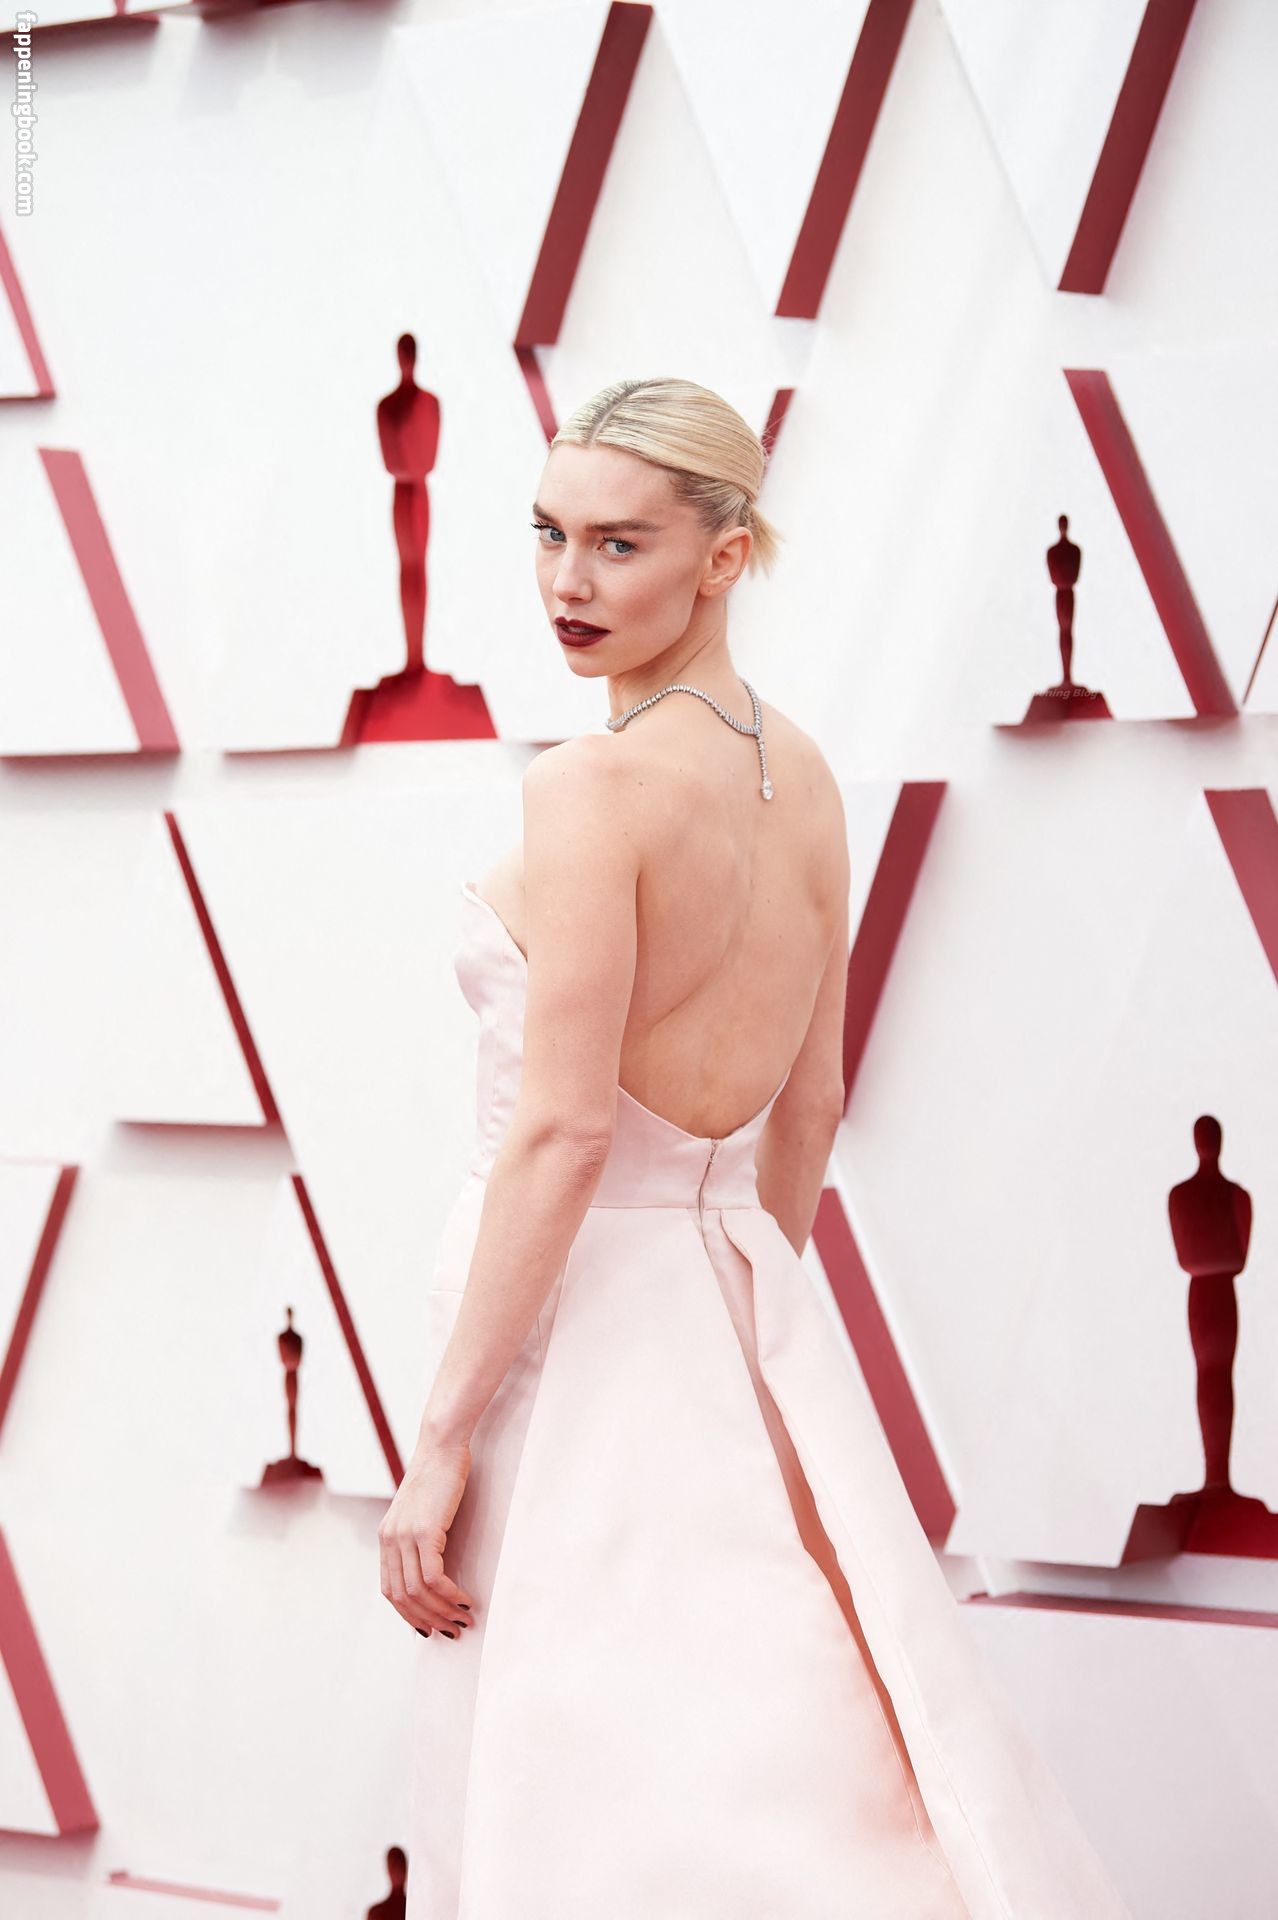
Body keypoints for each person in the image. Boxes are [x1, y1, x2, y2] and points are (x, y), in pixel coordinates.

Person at [381, 378, 1133, 1918]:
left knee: (594, 1768)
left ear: (725, 556)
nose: (567, 582)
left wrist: (440, 1436)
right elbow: (808, 1106)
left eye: (620, 544)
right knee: (776, 1738)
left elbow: (564, 1130)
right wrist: (743, 1320)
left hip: (573, 1335)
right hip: (735, 1304)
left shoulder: (587, 785)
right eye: (547, 535)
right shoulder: (799, 777)